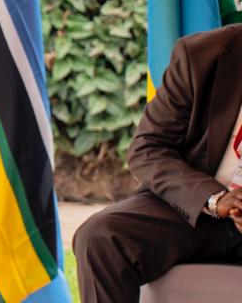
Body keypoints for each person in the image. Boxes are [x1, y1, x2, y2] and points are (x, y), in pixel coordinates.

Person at [73, 24, 242, 302]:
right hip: (199, 208)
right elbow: (148, 148)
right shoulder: (201, 55)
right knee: (100, 237)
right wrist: (215, 199)